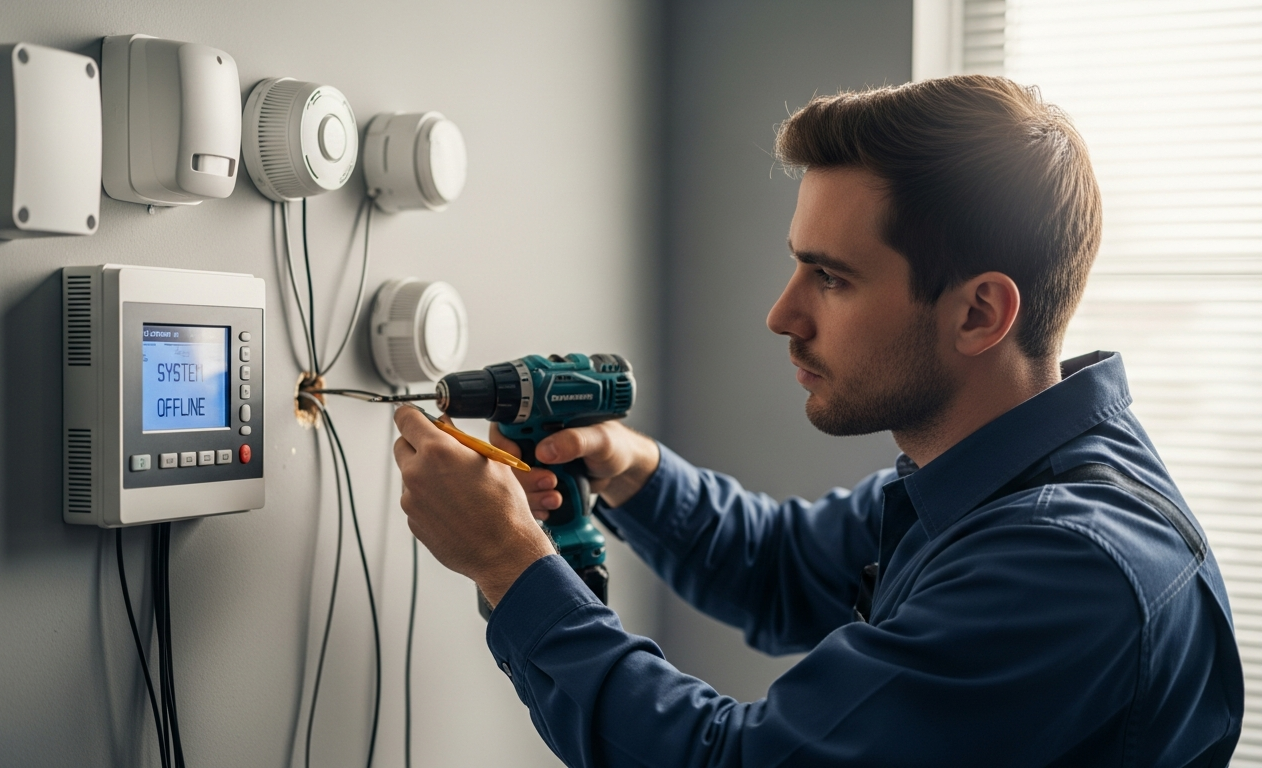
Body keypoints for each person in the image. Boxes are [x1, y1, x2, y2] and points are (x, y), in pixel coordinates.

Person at [391, 76, 1244, 766]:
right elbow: (782, 567)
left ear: (981, 313)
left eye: (830, 278)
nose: (782, 314)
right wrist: (626, 467)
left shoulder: (1064, 569)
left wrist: (510, 564)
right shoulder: (997, 475)